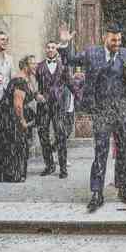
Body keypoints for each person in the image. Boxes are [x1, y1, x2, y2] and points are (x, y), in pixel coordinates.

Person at [57, 22, 126, 213]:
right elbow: (69, 60)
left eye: (119, 39)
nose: (117, 42)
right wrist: (65, 44)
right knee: (100, 152)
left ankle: (122, 188)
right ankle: (97, 193)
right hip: (101, 112)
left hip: (124, 111)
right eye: (113, 39)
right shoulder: (92, 53)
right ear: (105, 37)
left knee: (123, 152)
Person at [0, 54, 38, 183]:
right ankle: (10, 175)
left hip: (11, 115)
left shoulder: (27, 78)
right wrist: (22, 121)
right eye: (32, 63)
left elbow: (30, 93)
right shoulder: (20, 80)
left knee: (17, 145)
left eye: (35, 63)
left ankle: (13, 174)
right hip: (9, 116)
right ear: (25, 66)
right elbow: (17, 105)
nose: (35, 65)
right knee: (14, 144)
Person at [36, 41, 75, 178]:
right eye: (48, 47)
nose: (50, 49)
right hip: (43, 106)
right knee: (43, 136)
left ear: (56, 50)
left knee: (61, 136)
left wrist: (81, 97)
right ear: (45, 49)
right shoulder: (39, 66)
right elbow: (32, 83)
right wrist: (36, 94)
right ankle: (49, 165)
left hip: (59, 106)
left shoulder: (63, 66)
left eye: (53, 47)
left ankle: (63, 168)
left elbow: (70, 83)